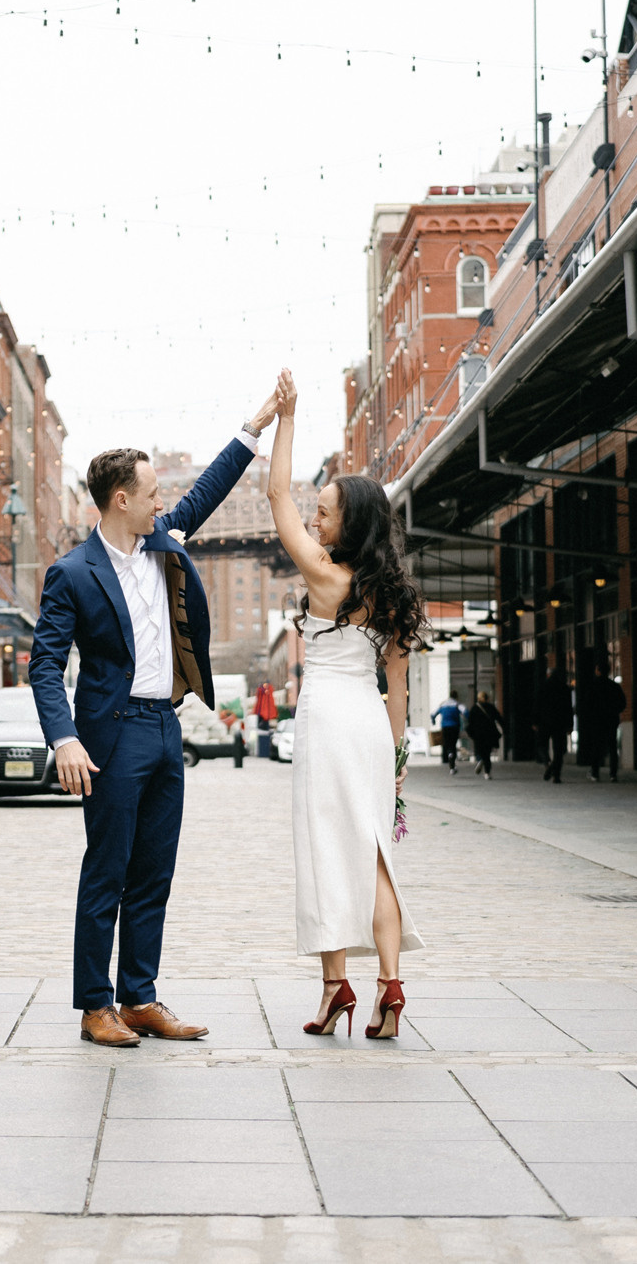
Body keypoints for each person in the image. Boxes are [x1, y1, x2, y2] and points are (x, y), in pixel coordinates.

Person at [28, 379, 283, 1049]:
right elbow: (44, 664)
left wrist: (254, 424)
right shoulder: (72, 573)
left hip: (166, 728)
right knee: (106, 872)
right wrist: (64, 739)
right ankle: (95, 1006)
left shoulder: (165, 541)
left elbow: (209, 490)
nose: (163, 502)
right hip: (110, 737)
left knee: (153, 873)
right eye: (151, 493)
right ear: (122, 499)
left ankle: (139, 997)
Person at [265, 371, 428, 1042]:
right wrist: (397, 758)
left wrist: (286, 418)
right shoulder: (393, 593)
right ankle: (390, 984)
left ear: (348, 522)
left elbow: (276, 494)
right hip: (369, 725)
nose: (314, 519)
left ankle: (336, 986)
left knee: (326, 848)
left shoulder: (325, 576)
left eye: (325, 512)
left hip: (328, 719)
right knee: (376, 853)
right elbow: (399, 688)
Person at [582, 661, 628, 782]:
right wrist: (614, 711)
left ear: (598, 671)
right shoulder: (614, 686)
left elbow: (587, 704)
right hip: (611, 720)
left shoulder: (593, 686)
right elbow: (622, 703)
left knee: (596, 747)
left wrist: (591, 716)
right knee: (612, 747)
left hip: (597, 721)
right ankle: (613, 774)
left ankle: (595, 773)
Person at [537, 665, 573, 784]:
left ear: (548, 675)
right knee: (559, 750)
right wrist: (570, 725)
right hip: (560, 723)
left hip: (544, 722)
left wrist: (535, 721)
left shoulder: (543, 686)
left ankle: (547, 763)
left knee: (542, 745)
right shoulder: (565, 688)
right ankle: (556, 775)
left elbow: (536, 705)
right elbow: (569, 708)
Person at [466, 692, 504, 778]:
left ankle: (481, 760)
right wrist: (504, 728)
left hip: (478, 734)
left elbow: (470, 722)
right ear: (487, 698)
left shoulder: (474, 708)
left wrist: (471, 733)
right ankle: (487, 772)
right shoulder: (491, 707)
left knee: (480, 750)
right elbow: (499, 718)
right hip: (489, 733)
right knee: (487, 753)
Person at [434, 696, 465, 774]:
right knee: (453, 744)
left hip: (445, 727)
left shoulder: (443, 705)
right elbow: (466, 712)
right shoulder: (457, 705)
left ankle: (448, 756)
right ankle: (452, 760)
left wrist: (433, 721)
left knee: (447, 743)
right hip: (455, 727)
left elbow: (433, 714)